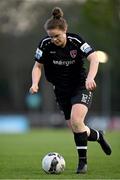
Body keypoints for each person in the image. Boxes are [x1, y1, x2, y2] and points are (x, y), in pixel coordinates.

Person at [29, 7, 112, 174]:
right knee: (77, 127)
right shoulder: (45, 44)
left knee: (76, 120)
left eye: (57, 36)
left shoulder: (76, 41)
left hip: (81, 86)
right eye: (51, 36)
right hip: (60, 90)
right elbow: (37, 66)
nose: (54, 40)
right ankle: (98, 135)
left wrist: (90, 78)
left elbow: (94, 57)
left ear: (65, 31)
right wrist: (34, 83)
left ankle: (82, 164)